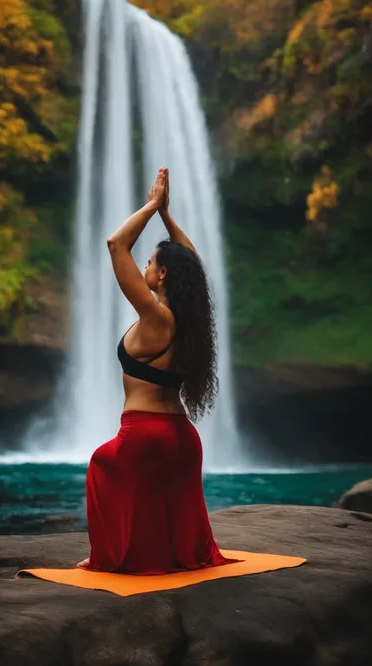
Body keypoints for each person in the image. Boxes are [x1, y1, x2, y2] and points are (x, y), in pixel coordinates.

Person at [76, 167, 238, 573]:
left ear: (162, 274)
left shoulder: (156, 318)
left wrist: (150, 206)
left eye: (150, 262)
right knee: (164, 501)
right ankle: (167, 554)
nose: (145, 266)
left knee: (101, 465)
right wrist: (167, 214)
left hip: (144, 435)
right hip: (183, 440)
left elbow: (116, 244)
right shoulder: (189, 319)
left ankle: (110, 556)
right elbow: (192, 264)